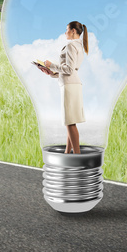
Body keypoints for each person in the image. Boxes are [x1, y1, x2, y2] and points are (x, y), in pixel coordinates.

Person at [34, 21, 88, 154]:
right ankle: (67, 152)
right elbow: (70, 70)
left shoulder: (71, 45)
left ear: (73, 31)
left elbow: (69, 69)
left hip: (69, 85)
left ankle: (77, 156)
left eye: (67, 30)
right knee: (71, 121)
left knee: (69, 122)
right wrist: (51, 73)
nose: (65, 32)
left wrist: (51, 65)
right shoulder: (79, 45)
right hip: (73, 83)